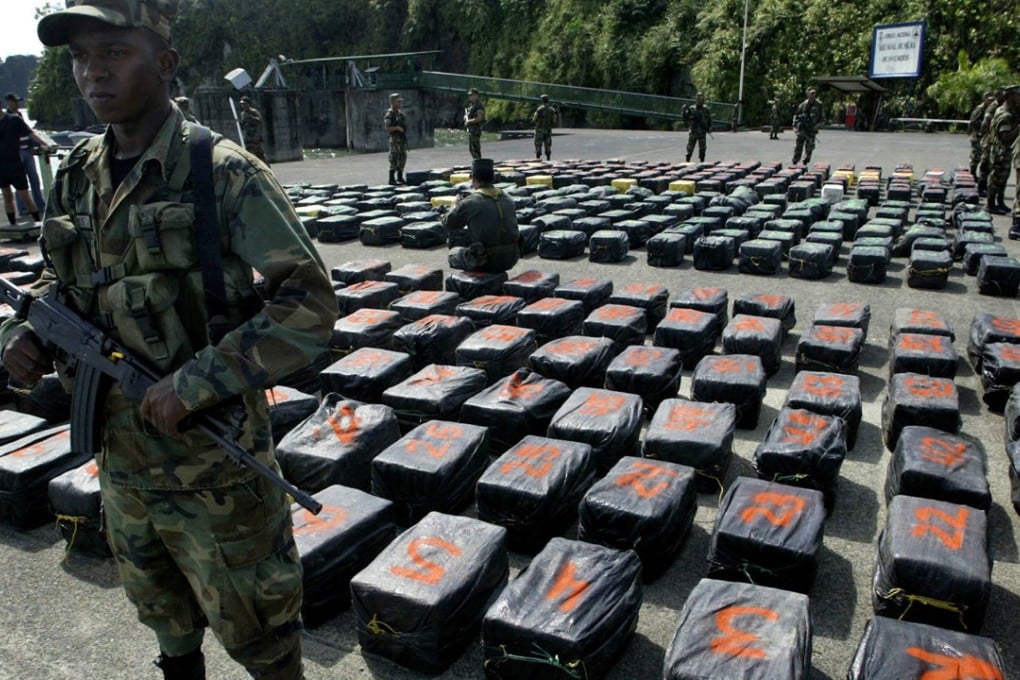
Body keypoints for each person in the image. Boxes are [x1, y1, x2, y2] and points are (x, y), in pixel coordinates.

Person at [5, 3, 337, 679]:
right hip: (122, 467)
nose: (93, 73)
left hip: (217, 474)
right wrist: (20, 329)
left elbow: (309, 305)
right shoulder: (76, 173)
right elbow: (56, 276)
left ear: (163, 62)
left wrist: (193, 383)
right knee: (164, 618)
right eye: (79, 58)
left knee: (262, 636)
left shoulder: (222, 171)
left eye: (113, 53)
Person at [443, 157, 519, 273]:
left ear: (474, 179)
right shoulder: (508, 198)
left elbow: (448, 223)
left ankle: (474, 281)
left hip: (487, 260)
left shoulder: (471, 201)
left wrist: (455, 204)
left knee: (454, 253)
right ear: (493, 178)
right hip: (512, 257)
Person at [0, 95, 49, 226]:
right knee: (7, 196)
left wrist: (44, 144)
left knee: (25, 195)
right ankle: (12, 224)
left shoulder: (14, 120)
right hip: (1, 165)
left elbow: (30, 133)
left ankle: (37, 221)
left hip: (15, 163)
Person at [987, 85, 1019, 215]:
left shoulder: (1005, 110)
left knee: (1002, 178)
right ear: (1011, 97)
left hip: (1002, 151)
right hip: (1001, 151)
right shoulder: (1005, 115)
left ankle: (999, 202)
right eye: (1017, 95)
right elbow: (1005, 136)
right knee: (996, 179)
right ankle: (991, 204)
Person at [977, 88, 1005, 197]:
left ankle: (985, 187)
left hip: (993, 139)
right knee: (986, 164)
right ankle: (981, 187)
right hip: (989, 139)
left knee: (991, 164)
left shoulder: (1000, 106)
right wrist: (985, 135)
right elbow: (985, 123)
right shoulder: (993, 106)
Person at [792, 87, 824, 165]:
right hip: (802, 128)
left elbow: (822, 118)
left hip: (811, 129)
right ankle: (795, 160)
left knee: (809, 147)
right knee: (798, 145)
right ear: (808, 94)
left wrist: (818, 125)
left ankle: (806, 160)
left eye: (814, 93)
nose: (813, 95)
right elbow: (796, 115)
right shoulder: (803, 104)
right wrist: (794, 126)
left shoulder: (819, 105)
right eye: (811, 94)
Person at [969, 91, 995, 177]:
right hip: (977, 135)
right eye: (989, 100)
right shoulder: (979, 109)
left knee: (985, 157)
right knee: (976, 156)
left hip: (985, 136)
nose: (990, 102)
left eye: (992, 100)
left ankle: (981, 175)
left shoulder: (990, 109)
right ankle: (972, 172)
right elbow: (973, 123)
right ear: (984, 99)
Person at [384, 92, 408, 185]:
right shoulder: (390, 114)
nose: (399, 104)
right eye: (398, 102)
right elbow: (387, 127)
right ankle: (391, 178)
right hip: (394, 139)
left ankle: (400, 177)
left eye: (400, 102)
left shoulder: (400, 114)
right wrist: (397, 128)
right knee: (394, 158)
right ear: (393, 102)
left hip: (401, 139)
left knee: (403, 157)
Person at [682, 92, 712, 162]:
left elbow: (709, 119)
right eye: (698, 99)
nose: (699, 101)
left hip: (702, 131)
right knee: (690, 147)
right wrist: (684, 112)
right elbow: (685, 118)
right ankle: (688, 159)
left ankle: (702, 160)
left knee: (702, 148)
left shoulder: (706, 109)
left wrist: (710, 127)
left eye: (701, 99)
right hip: (693, 131)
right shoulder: (692, 109)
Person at [238, 94, 267, 164]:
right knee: (248, 156)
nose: (243, 106)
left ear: (248, 104)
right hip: (247, 138)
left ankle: (267, 168)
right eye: (242, 104)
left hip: (255, 138)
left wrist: (250, 117)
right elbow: (243, 125)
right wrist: (238, 122)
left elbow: (259, 120)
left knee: (260, 155)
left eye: (244, 104)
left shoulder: (254, 112)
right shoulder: (242, 114)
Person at [533, 94, 558, 160]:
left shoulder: (539, 109)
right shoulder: (552, 110)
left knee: (538, 144)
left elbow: (534, 118)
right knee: (548, 144)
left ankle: (538, 158)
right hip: (548, 129)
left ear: (542, 100)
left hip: (539, 129)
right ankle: (548, 158)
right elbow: (554, 120)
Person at [464, 87, 485, 160]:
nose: (470, 97)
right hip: (471, 130)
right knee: (472, 149)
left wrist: (469, 121)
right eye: (470, 95)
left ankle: (479, 165)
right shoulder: (472, 105)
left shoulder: (479, 105)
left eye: (472, 95)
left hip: (476, 130)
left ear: (476, 95)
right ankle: (477, 163)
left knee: (475, 149)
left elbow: (479, 118)